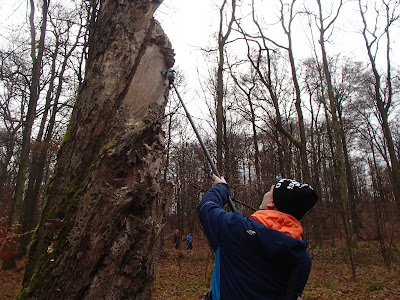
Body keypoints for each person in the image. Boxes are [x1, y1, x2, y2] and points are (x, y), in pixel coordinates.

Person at [197, 175, 318, 300]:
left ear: (271, 203)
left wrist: (220, 187)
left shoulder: (234, 228)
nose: (266, 194)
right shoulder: (302, 258)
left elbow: (207, 207)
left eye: (269, 191)